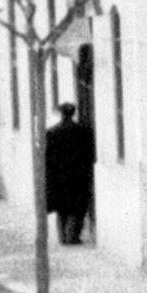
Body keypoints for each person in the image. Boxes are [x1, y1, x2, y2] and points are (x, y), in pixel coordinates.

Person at [44, 101, 95, 244]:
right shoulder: (84, 130)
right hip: (78, 175)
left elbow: (47, 158)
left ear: (61, 114)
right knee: (76, 207)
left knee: (62, 208)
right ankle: (72, 237)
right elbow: (89, 154)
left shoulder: (52, 132)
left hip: (59, 176)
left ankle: (63, 237)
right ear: (73, 113)